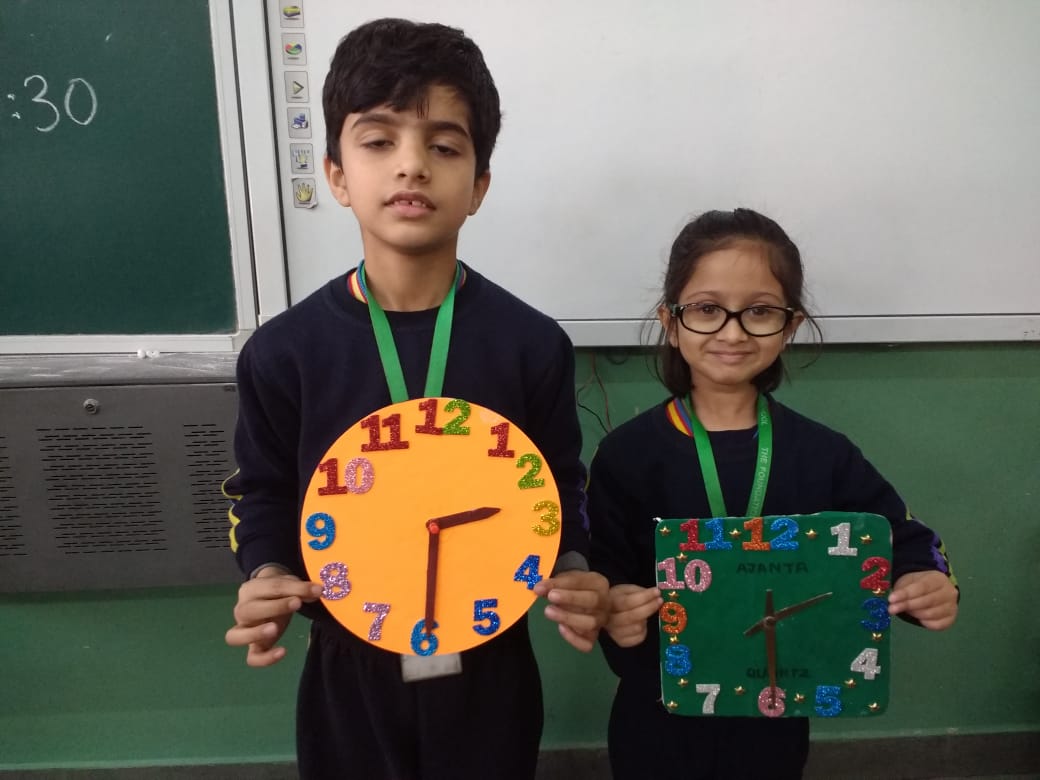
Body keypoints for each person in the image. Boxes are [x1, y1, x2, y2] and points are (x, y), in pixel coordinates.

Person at [222, 18, 608, 780]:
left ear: (479, 186)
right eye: (378, 141)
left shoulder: (530, 346)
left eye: (443, 145)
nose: (411, 167)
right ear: (336, 175)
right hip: (347, 655)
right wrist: (266, 575)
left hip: (490, 656)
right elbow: (261, 492)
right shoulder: (284, 354)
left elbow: (560, 485)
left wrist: (571, 563)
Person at [587, 208, 959, 779]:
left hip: (777, 715)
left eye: (759, 311)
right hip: (657, 715)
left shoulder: (823, 453)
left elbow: (905, 540)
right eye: (708, 310)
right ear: (671, 320)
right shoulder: (628, 456)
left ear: (789, 324)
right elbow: (601, 572)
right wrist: (614, 609)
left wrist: (927, 582)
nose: (733, 332)